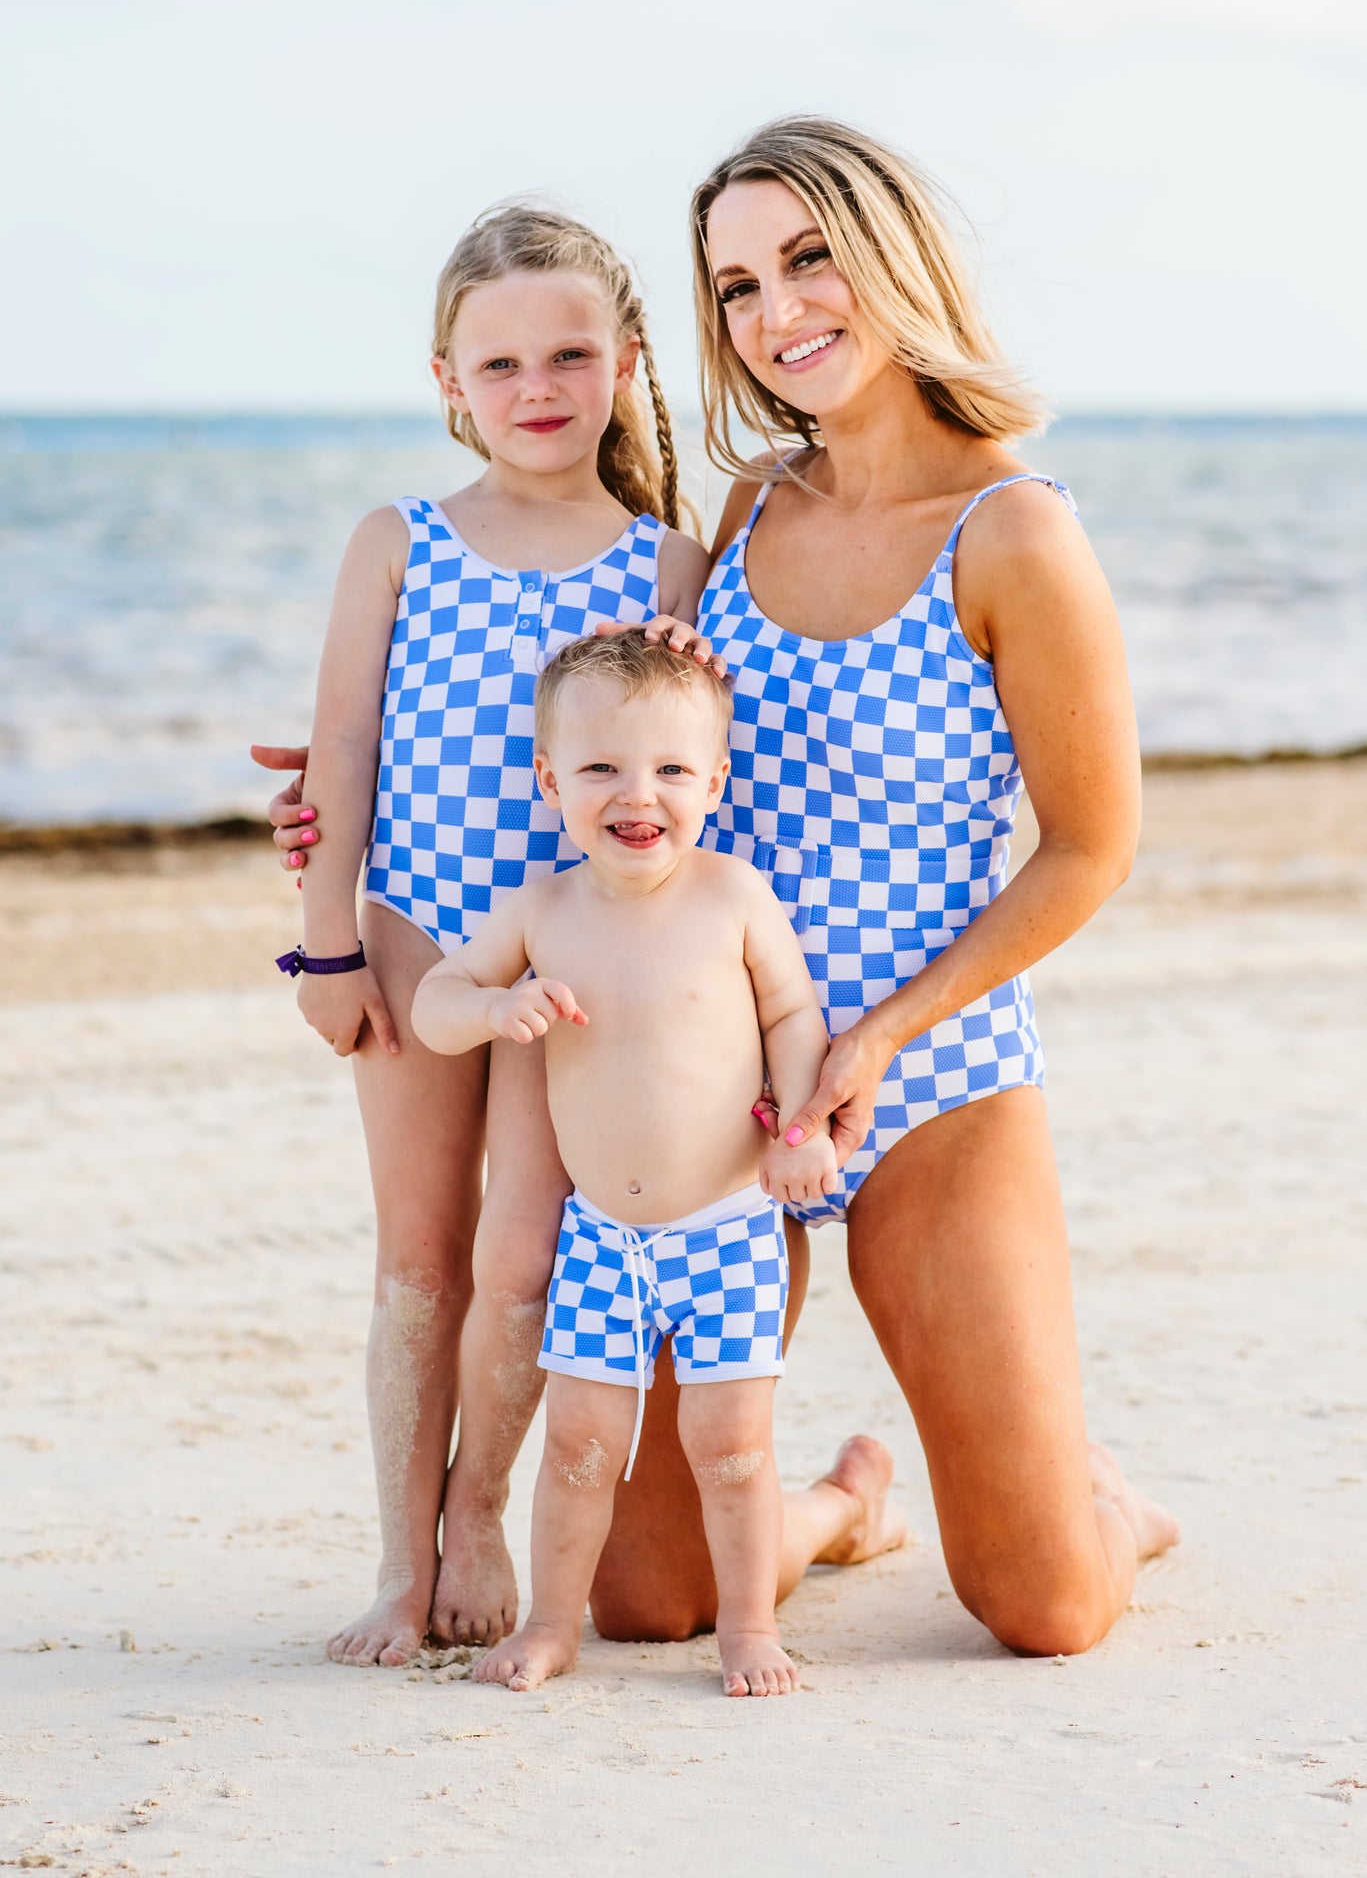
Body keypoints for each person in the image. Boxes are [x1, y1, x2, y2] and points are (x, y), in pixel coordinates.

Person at [268, 114, 1179, 1658]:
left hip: (921, 1076)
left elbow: (1090, 846)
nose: (775, 310)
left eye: (809, 259)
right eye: (738, 286)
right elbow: (633, 730)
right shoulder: (750, 506)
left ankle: (1101, 1503)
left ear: (896, 257)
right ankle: (836, 1509)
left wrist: (874, 1036)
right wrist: (369, 774)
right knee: (645, 1601)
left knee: (1040, 1607)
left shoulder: (1011, 529)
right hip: (699, 1093)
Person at [262, 204, 714, 1666]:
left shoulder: (665, 561)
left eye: (569, 355)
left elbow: (692, 760)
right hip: (410, 934)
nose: (537, 388)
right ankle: (401, 1567)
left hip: (571, 959)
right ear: (447, 380)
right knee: (419, 1260)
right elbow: (342, 744)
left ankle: (478, 1510)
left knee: (520, 1262)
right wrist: (325, 944)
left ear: (625, 363)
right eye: (500, 362)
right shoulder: (398, 540)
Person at [410, 629, 894, 1696]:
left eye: (673, 768)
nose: (639, 794)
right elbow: (434, 1002)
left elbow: (791, 1014)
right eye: (600, 767)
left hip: (726, 1228)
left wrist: (800, 1130)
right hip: (601, 1240)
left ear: (714, 782)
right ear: (550, 781)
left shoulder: (731, 895)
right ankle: (551, 1625)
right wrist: (494, 1006)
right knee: (578, 1442)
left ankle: (748, 1629)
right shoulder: (544, 911)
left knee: (731, 1443)